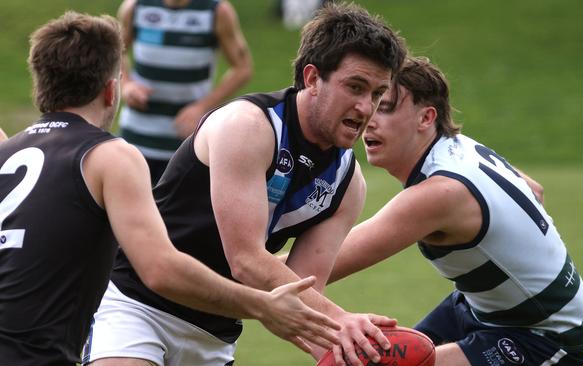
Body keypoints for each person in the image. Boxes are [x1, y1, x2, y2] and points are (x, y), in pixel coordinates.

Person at [0, 11, 342, 366]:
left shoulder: (5, 152)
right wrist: (262, 306)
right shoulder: (109, 156)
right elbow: (160, 269)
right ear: (111, 89)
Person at [84, 3, 407, 366]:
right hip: (135, 305)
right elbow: (246, 261)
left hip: (214, 336)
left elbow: (299, 293)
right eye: (355, 87)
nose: (366, 108)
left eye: (378, 93)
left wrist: (348, 351)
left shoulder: (347, 185)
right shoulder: (248, 127)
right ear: (313, 78)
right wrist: (342, 320)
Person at [329, 56, 583, 365]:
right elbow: (534, 189)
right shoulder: (457, 146)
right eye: (372, 103)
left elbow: (320, 266)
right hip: (480, 307)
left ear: (426, 118)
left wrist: (261, 286)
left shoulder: (439, 192)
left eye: (385, 107)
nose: (369, 119)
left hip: (544, 335)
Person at [117, 0, 253, 184]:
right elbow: (115, 53)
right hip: (135, 141)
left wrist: (203, 107)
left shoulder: (217, 11)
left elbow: (242, 68)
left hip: (186, 146)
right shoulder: (136, 7)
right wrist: (127, 85)